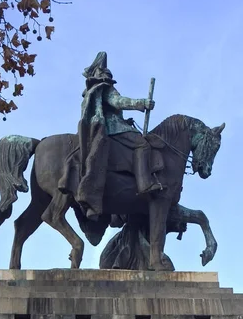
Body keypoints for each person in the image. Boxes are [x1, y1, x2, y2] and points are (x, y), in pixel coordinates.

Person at [59, 52, 164, 221]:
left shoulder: (91, 90)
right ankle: (145, 183)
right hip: (112, 128)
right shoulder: (104, 87)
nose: (108, 73)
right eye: (104, 70)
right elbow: (118, 102)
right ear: (98, 73)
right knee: (142, 144)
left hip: (107, 127)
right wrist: (141, 104)